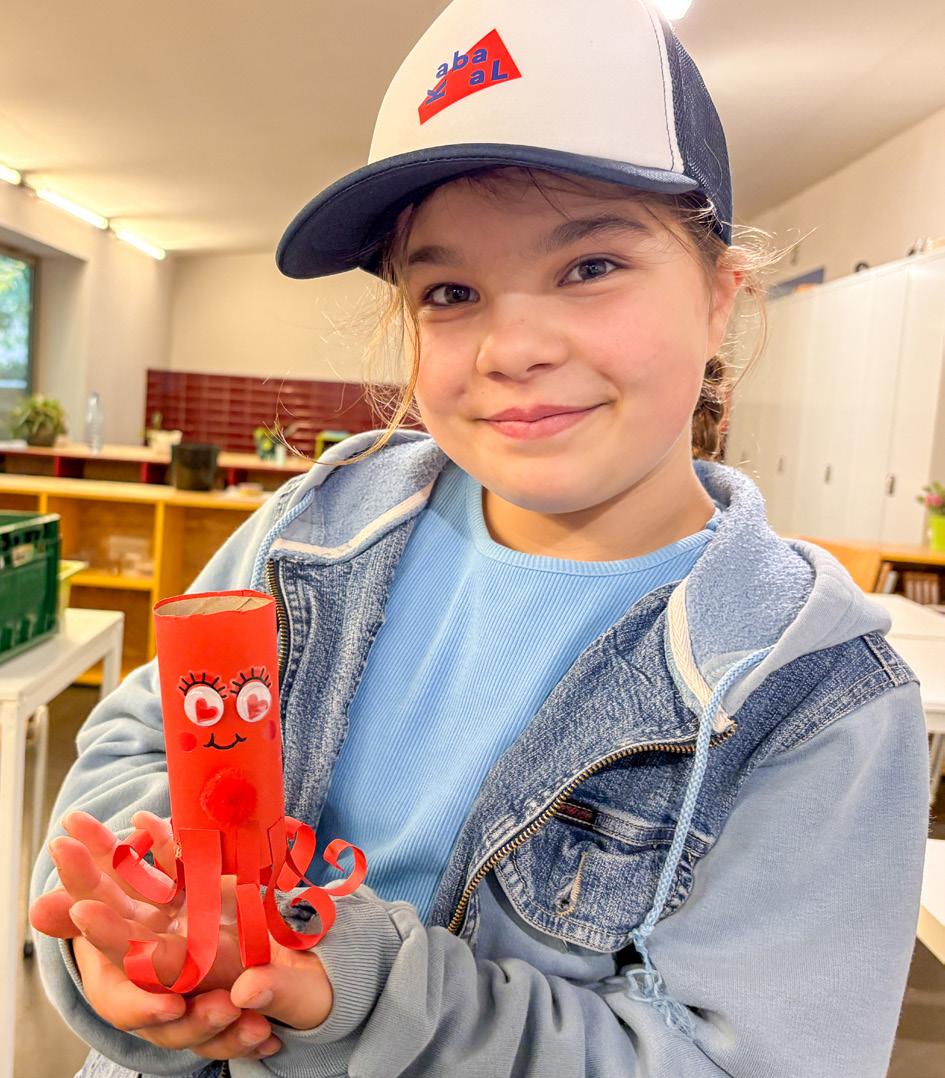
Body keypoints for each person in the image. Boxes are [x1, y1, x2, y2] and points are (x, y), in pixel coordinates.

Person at [30, 0, 930, 1075]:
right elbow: (146, 739)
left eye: (590, 266)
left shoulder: (809, 696)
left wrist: (362, 998)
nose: (511, 347)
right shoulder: (317, 529)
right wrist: (134, 921)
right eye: (450, 290)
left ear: (719, 300)